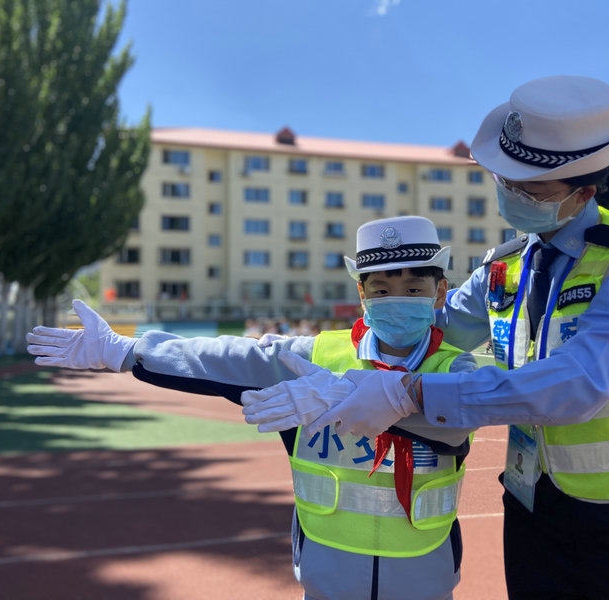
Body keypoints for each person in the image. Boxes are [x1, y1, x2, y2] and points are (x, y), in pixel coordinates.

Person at [243, 76, 609, 599]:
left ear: (583, 192)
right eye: (505, 180)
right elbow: (418, 329)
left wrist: (411, 393)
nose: (511, 194)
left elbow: (579, 383)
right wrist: (320, 360)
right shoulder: (503, 267)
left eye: (529, 189)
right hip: (534, 508)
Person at [27, 216, 478, 600]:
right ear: (362, 295)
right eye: (380, 289)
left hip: (424, 571)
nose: (396, 300)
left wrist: (347, 393)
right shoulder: (313, 356)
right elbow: (225, 356)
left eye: (413, 288)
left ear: (440, 293)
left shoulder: (455, 369)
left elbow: (457, 419)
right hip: (328, 568)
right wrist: (128, 350)